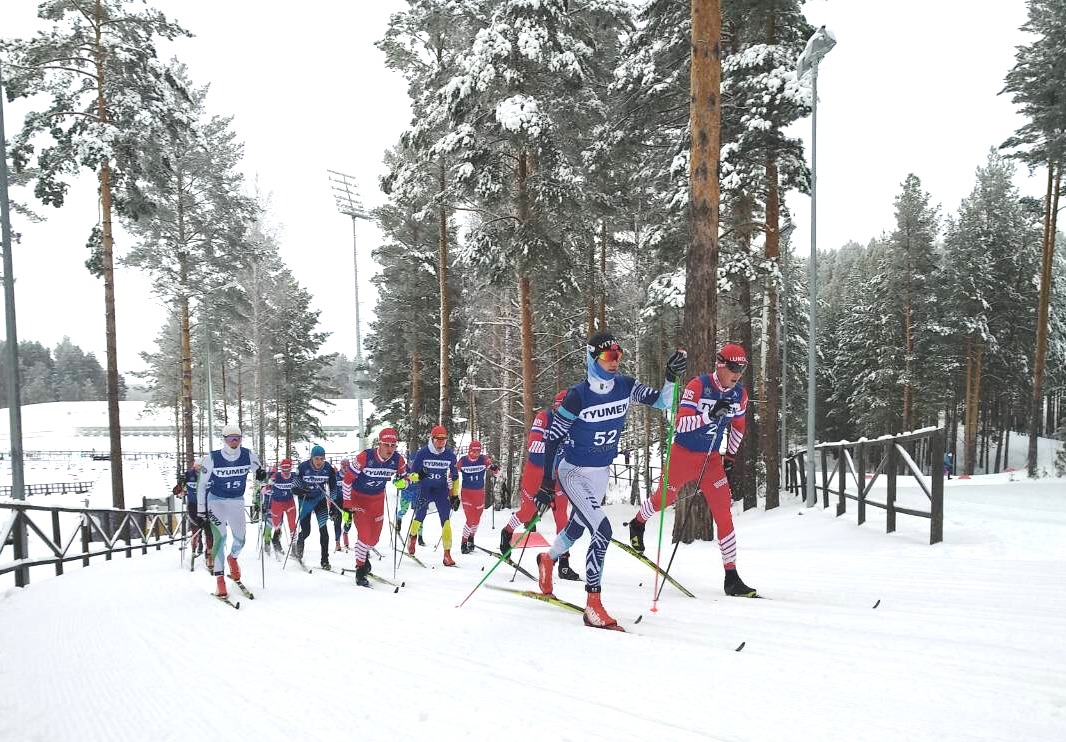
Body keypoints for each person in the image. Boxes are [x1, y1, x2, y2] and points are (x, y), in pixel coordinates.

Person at [534, 331, 685, 628]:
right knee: (602, 529)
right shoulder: (578, 396)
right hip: (574, 471)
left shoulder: (625, 386)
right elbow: (552, 439)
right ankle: (593, 604)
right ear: (592, 358)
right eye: (607, 357)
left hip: (600, 472)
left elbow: (664, 403)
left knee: (578, 527)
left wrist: (670, 377)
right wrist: (546, 484)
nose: (614, 362)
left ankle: (548, 560)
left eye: (618, 356)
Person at [626, 342, 756, 597]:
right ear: (720, 365)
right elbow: (681, 424)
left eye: (742, 368)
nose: (737, 373)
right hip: (683, 455)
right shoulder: (699, 385)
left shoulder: (739, 395)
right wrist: (710, 416)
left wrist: (729, 457)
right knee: (665, 498)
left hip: (711, 461)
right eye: (732, 367)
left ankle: (731, 577)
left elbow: (738, 427)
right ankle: (637, 523)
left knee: (724, 515)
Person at [499, 391, 580, 580]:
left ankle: (564, 563)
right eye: (562, 409)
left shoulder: (575, 424)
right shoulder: (543, 418)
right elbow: (533, 446)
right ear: (555, 407)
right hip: (536, 473)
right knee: (528, 514)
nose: (565, 414)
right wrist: (555, 445)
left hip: (558, 476)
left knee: (562, 517)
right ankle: (507, 531)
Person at [195, 423, 266, 598]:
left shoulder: (248, 455)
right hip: (216, 502)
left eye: (237, 438)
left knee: (240, 539)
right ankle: (220, 581)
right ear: (224, 440)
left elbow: (260, 475)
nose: (234, 442)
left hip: (236, 501)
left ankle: (232, 558)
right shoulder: (212, 458)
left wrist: (263, 478)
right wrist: (201, 511)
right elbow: (201, 485)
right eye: (230, 439)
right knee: (220, 539)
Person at [340, 427, 407, 586]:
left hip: (377, 500)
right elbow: (347, 481)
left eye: (393, 445)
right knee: (364, 536)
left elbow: (405, 480)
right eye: (386, 444)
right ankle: (360, 569)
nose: (390, 449)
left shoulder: (398, 460)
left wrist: (401, 483)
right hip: (359, 499)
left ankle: (363, 553)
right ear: (379, 444)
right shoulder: (365, 457)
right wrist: (347, 506)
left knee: (373, 540)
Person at [406, 425, 459, 566]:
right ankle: (412, 537)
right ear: (432, 439)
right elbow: (410, 476)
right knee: (420, 515)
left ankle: (447, 554)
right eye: (438, 440)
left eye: (443, 440)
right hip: (425, 488)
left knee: (446, 520)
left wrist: (455, 495)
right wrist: (418, 475)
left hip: (441, 490)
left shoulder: (450, 455)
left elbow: (455, 477)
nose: (441, 443)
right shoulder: (423, 453)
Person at [293, 444, 338, 570]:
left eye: (321, 459)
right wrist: (302, 490)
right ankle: (299, 552)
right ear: (311, 458)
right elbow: (294, 487)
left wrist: (333, 506)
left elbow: (333, 487)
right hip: (306, 501)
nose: (319, 462)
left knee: (324, 530)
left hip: (320, 500)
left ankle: (325, 560)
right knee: (306, 531)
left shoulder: (328, 469)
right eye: (316, 458)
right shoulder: (303, 467)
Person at [457, 440, 500, 553]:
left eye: (478, 451)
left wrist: (495, 469)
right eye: (474, 451)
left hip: (479, 493)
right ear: (470, 451)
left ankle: (471, 538)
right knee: (470, 519)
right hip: (467, 493)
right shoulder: (463, 461)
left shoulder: (484, 459)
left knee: (476, 520)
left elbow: (496, 472)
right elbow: (453, 472)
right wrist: (451, 490)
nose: (476, 454)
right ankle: (463, 543)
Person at [175, 463, 213, 567]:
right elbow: (177, 491)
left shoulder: (210, 474)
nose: (199, 471)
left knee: (209, 529)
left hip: (207, 505)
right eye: (197, 469)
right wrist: (180, 486)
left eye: (201, 468)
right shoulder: (188, 475)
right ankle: (194, 548)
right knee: (196, 528)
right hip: (193, 506)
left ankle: (209, 553)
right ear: (194, 468)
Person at [263, 459, 298, 556]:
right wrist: (267, 490)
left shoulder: (295, 476)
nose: (286, 471)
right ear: (281, 469)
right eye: (283, 469)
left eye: (288, 469)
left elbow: (301, 483)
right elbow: (265, 488)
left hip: (289, 502)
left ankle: (294, 547)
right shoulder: (276, 476)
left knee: (292, 524)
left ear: (291, 468)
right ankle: (275, 540)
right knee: (276, 525)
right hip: (277, 503)